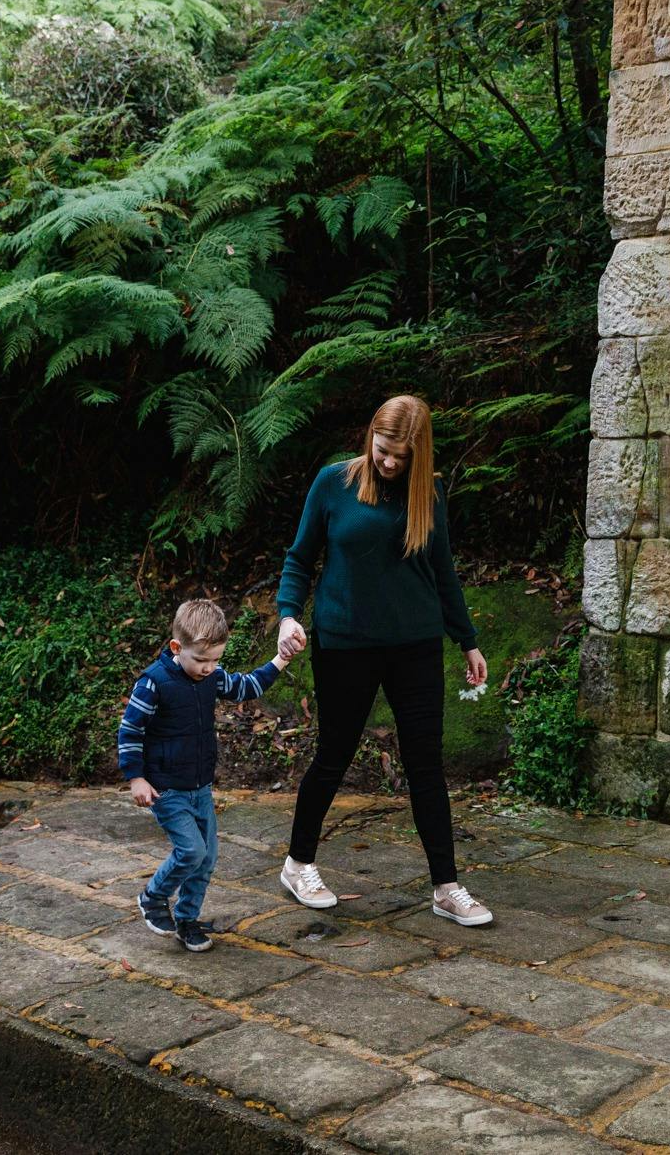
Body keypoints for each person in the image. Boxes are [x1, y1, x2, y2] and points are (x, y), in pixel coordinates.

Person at [275, 395, 494, 927]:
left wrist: (467, 640)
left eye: (401, 455)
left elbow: (443, 571)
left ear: (420, 453)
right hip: (344, 644)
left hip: (415, 646)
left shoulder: (429, 494)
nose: (390, 462)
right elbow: (299, 558)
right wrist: (287, 615)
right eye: (383, 450)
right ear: (370, 436)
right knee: (334, 755)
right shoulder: (334, 483)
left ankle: (446, 887)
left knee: (426, 765)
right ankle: (298, 864)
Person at [121, 598, 292, 953]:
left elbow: (246, 686)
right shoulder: (153, 683)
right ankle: (153, 896)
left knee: (207, 858)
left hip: (200, 787)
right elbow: (130, 731)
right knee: (191, 850)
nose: (209, 667)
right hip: (166, 788)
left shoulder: (212, 676)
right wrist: (136, 778)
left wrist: (281, 658)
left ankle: (187, 920)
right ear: (176, 647)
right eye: (201, 660)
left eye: (215, 659)